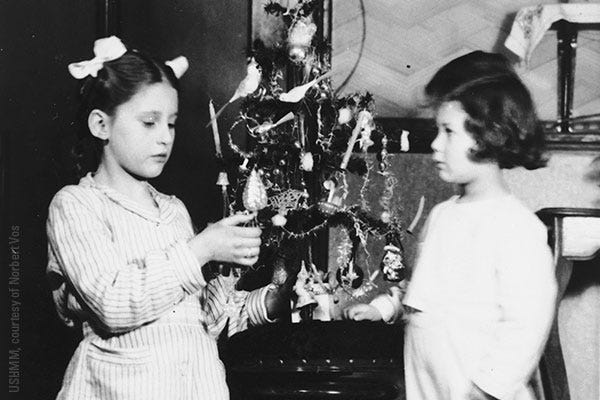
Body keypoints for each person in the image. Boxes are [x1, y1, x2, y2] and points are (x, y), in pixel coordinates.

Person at [47, 36, 289, 400]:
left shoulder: (174, 210)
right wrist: (199, 251)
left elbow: (198, 319)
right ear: (100, 125)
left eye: (171, 124)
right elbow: (112, 304)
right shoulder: (76, 205)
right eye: (149, 122)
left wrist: (263, 301)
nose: (164, 138)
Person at [344, 51, 558, 400]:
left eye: (448, 132)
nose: (434, 145)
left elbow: (528, 323)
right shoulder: (442, 215)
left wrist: (486, 389)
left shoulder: (515, 226)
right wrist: (382, 308)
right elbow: (423, 291)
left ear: (490, 134)